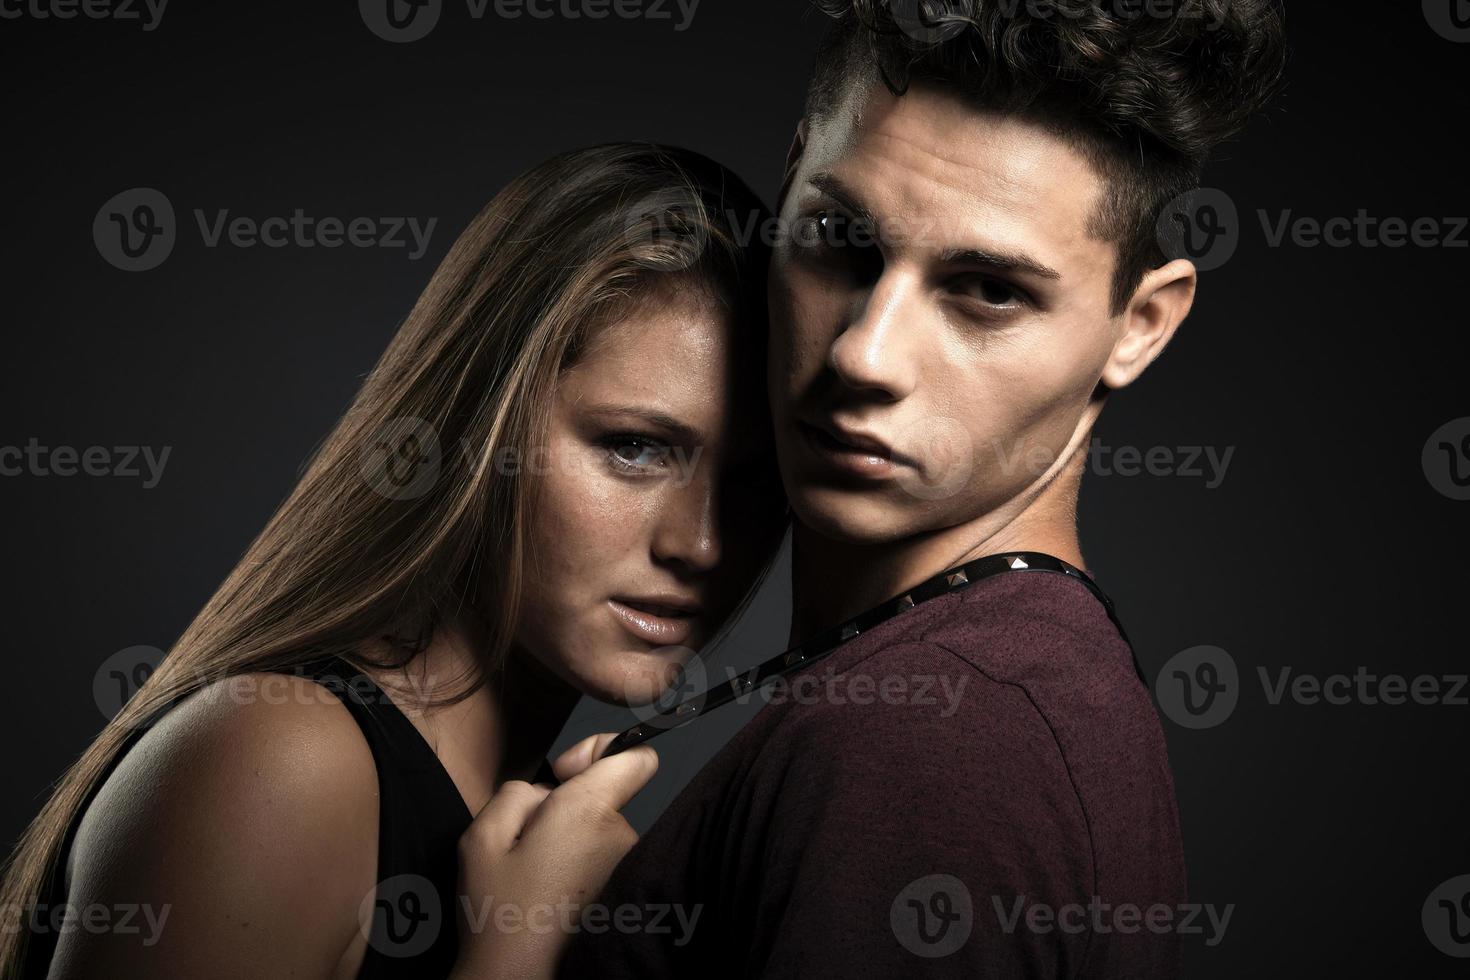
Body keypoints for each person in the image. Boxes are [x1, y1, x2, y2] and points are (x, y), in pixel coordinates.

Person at [554, 2, 1287, 977]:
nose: (866, 352)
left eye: (987, 290)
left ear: (1139, 326)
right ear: (791, 174)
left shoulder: (940, 743)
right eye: (837, 237)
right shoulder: (981, 682)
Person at [0, 142, 787, 979]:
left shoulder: (516, 826)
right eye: (633, 448)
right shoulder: (281, 761)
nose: (699, 544)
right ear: (481, 423)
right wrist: (512, 956)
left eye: (754, 483)